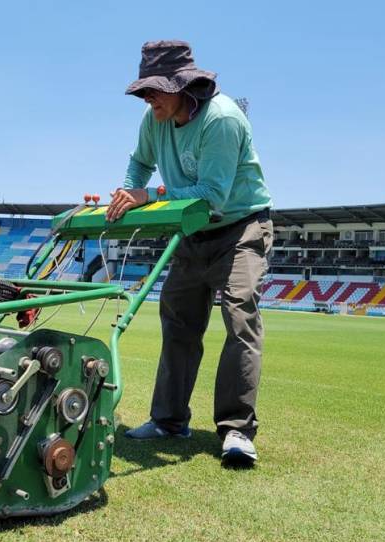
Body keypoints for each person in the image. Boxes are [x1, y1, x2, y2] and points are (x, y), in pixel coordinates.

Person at [108, 40, 273, 466]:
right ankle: (168, 420)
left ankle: (237, 431)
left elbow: (211, 196)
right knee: (178, 322)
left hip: (238, 225)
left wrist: (150, 196)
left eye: (154, 90)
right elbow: (138, 163)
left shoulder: (222, 120)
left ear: (182, 85)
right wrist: (129, 191)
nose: (147, 99)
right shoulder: (154, 118)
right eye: (143, 91)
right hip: (191, 231)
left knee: (240, 316)